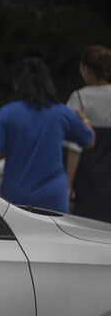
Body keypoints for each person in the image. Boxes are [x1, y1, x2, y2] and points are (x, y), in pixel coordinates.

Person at [0, 55, 94, 213]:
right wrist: (85, 120)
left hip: (16, 197)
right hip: (54, 197)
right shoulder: (61, 113)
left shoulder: (6, 114)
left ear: (17, 84)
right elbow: (89, 141)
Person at [64, 44, 111, 221]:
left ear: (87, 69)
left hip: (88, 178)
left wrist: (68, 185)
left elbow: (75, 148)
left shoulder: (79, 98)